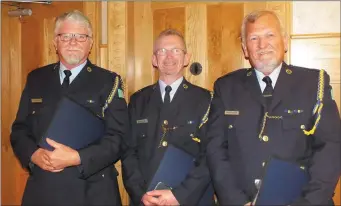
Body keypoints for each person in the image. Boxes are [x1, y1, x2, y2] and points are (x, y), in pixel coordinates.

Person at [205, 10, 340, 205]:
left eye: (270, 35)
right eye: (253, 38)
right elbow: (215, 149)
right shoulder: (226, 87)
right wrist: (235, 201)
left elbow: (330, 148)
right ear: (244, 49)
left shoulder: (313, 83)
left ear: (284, 41)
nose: (262, 45)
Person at [10, 10, 128, 205]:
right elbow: (19, 129)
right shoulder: (37, 79)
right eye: (65, 36)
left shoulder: (108, 81)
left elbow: (120, 138)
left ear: (90, 43)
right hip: (44, 189)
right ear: (55, 42)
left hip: (92, 191)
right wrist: (34, 154)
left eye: (81, 37)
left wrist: (77, 157)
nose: (73, 42)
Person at [121, 29, 214, 206]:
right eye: (162, 51)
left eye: (176, 50)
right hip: (147, 199)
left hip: (191, 199)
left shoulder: (206, 100)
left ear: (187, 58)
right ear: (154, 60)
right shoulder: (138, 100)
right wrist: (141, 194)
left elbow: (210, 156)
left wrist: (180, 195)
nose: (169, 56)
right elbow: (128, 152)